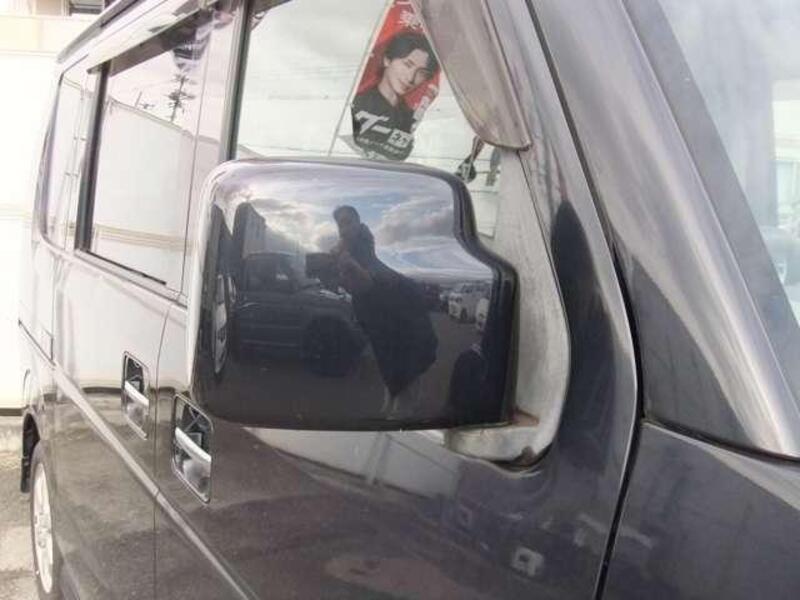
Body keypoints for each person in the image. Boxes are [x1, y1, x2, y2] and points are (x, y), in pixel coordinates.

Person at [331, 206, 438, 414]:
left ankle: (400, 411)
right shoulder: (348, 253)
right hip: (384, 330)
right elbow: (358, 290)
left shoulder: (363, 254)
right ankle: (393, 403)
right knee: (391, 385)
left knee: (401, 398)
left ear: (359, 224)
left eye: (347, 222)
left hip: (404, 331)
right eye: (339, 225)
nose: (343, 229)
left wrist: (350, 266)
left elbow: (370, 282)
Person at [351, 32, 439, 161]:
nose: (411, 78)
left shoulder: (409, 118)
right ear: (387, 60)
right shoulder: (357, 104)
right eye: (407, 64)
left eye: (422, 73)